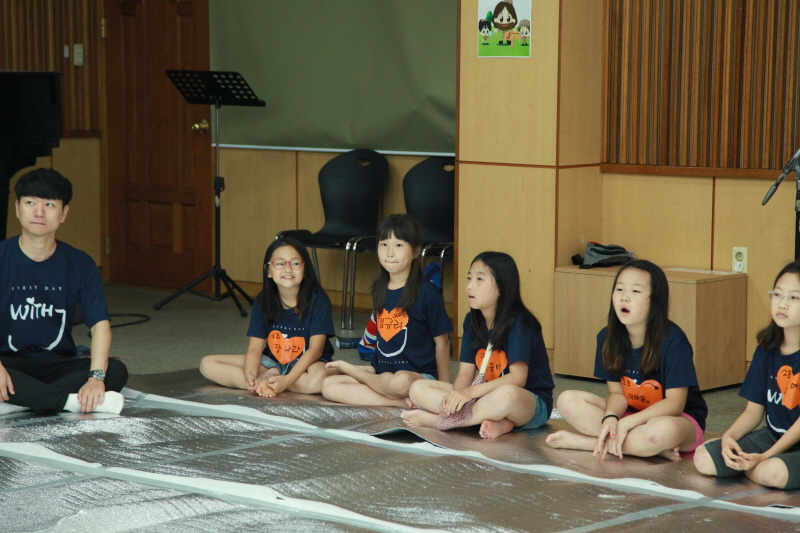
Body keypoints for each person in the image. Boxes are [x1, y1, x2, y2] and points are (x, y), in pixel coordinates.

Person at [546, 259, 707, 461]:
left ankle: (589, 444)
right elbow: (617, 394)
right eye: (619, 289)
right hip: (630, 414)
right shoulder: (607, 337)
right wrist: (612, 417)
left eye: (636, 291)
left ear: (655, 301)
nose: (624, 297)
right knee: (567, 400)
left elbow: (675, 404)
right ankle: (644, 448)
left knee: (660, 432)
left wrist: (626, 424)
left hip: (677, 419)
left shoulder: (674, 341)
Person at [0, 168, 127, 415]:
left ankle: (17, 402)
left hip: (57, 365)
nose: (39, 212)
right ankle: (69, 403)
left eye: (49, 205)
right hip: (7, 363)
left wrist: (96, 378)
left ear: (64, 213)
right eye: (30, 203)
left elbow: (100, 325)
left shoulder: (80, 263)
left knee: (115, 370)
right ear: (17, 208)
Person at [401, 251, 553, 439]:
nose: (470, 286)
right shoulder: (471, 320)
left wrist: (469, 393)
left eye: (480, 279)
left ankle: (443, 422)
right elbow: (465, 374)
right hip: (484, 396)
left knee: (507, 395)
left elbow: (518, 378)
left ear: (502, 287)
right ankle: (496, 422)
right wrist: (455, 397)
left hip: (529, 403)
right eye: (469, 278)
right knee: (418, 388)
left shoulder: (520, 322)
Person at [322, 214, 452, 407]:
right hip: (381, 374)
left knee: (401, 381)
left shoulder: (427, 293)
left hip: (415, 377)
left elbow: (442, 343)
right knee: (329, 386)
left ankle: (357, 372)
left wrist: (442, 388)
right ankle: (401, 403)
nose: (390, 252)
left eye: (398, 245)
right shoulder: (379, 286)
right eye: (384, 244)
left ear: (416, 251)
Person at [694, 261, 800, 490]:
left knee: (773, 473)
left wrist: (765, 456)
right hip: (773, 436)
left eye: (794, 297)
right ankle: (755, 469)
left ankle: (754, 469)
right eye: (778, 294)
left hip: (792, 445)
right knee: (704, 458)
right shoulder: (766, 349)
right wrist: (729, 437)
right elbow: (754, 411)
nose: (782, 304)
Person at [200, 237, 334, 397]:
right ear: (268, 271)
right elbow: (254, 348)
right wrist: (249, 375)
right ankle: (265, 382)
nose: (288, 269)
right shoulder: (263, 300)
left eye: (295, 263)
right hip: (272, 362)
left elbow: (316, 350)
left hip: (308, 365)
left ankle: (271, 382)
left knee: (319, 380)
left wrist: (288, 379)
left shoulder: (318, 301)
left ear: (305, 270)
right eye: (280, 263)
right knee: (207, 364)